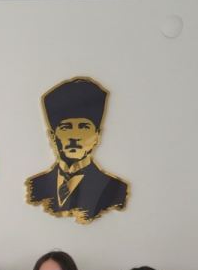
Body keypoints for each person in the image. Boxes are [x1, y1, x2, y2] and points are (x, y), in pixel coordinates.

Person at [26, 76, 129, 224]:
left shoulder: (115, 191)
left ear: (97, 136)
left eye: (84, 127)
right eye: (66, 128)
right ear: (52, 137)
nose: (74, 137)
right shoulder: (35, 187)